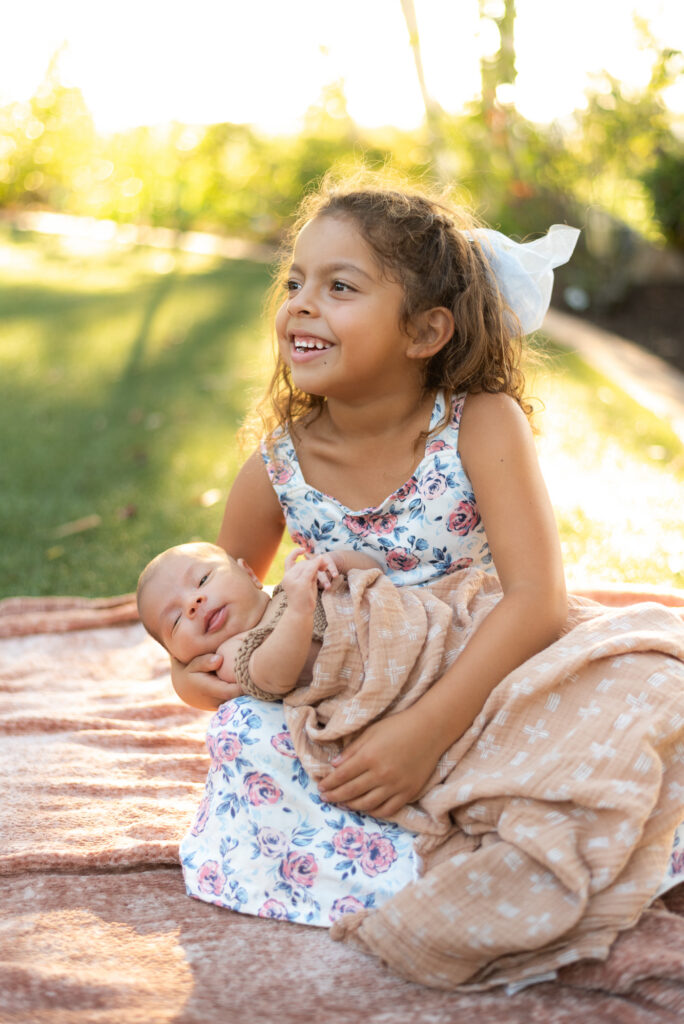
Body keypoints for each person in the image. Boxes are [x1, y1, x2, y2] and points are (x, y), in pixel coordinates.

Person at [173, 176, 579, 819]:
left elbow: (539, 601)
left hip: (472, 676)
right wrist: (190, 675)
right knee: (242, 737)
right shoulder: (280, 465)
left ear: (424, 333)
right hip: (345, 697)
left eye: (339, 286)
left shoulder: (479, 424)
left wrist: (425, 730)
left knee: (629, 702)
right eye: (294, 283)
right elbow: (220, 604)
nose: (301, 304)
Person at [136, 541, 381, 701]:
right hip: (374, 682)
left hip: (398, 626)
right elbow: (276, 676)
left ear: (250, 574)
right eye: (176, 620)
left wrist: (338, 563)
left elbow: (373, 574)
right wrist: (298, 611)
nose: (193, 603)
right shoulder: (231, 656)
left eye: (202, 580)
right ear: (179, 657)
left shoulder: (292, 586)